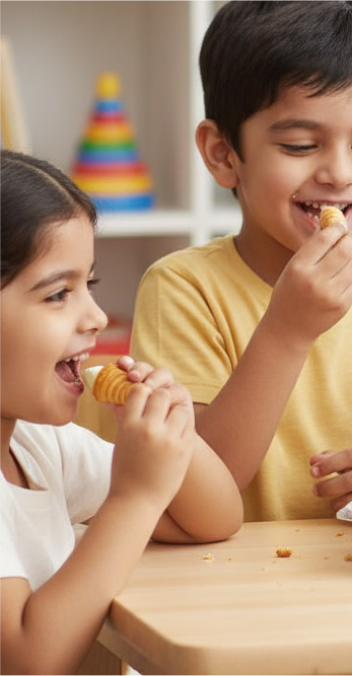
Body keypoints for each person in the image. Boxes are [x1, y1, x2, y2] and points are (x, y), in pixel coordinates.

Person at [129, 1, 352, 521]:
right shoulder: (182, 289)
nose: (339, 173)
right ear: (222, 154)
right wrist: (286, 329)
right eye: (301, 144)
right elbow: (189, 491)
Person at [0, 150, 244, 674]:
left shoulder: (38, 449)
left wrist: (177, 432)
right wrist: (135, 496)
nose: (95, 316)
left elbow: (213, 520)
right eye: (58, 294)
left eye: (89, 285)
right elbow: (28, 661)